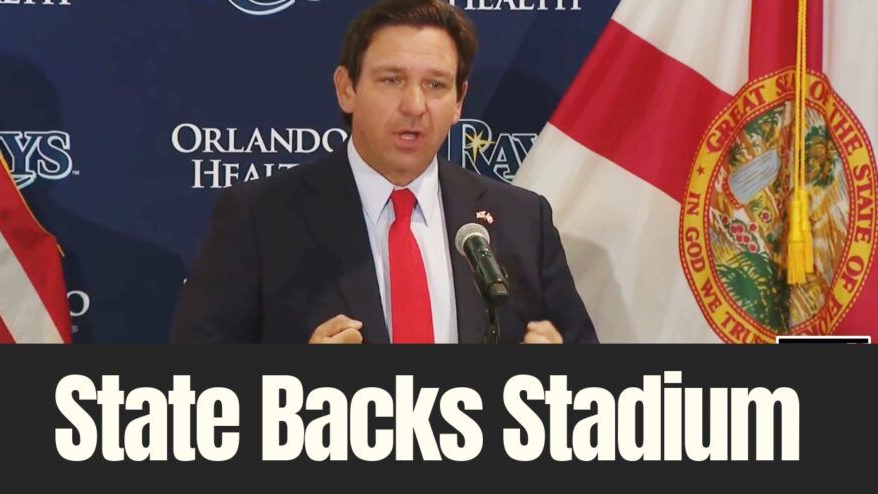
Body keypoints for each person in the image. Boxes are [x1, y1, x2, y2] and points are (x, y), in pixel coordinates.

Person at [172, 0, 597, 344]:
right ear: (347, 88)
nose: (415, 105)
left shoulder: (522, 221)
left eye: (435, 85)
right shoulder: (260, 217)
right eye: (392, 80)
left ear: (459, 102)